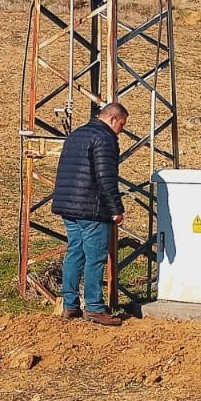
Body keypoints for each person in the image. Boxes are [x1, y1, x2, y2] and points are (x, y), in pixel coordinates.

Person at [51, 101, 128, 326]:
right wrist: (116, 208)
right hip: (91, 208)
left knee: (75, 252)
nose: (121, 130)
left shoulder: (76, 135)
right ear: (113, 119)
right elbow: (106, 177)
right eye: (122, 124)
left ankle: (70, 305)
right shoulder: (105, 138)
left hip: (68, 205)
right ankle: (94, 307)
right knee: (95, 257)